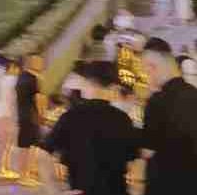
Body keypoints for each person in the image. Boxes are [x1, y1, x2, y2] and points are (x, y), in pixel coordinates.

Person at [40, 61, 150, 195]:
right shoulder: (122, 119)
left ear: (87, 83)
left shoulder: (71, 117)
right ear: (113, 87)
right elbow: (137, 159)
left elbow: (43, 153)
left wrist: (54, 191)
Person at [137, 37, 197, 195]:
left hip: (162, 186)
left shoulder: (157, 102)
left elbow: (147, 150)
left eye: (145, 70)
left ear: (152, 67)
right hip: (191, 184)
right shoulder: (196, 95)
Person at [15, 55, 45, 186]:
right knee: (29, 147)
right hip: (31, 116)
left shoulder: (21, 77)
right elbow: (39, 99)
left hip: (22, 115)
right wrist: (42, 115)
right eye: (40, 62)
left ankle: (25, 174)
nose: (42, 64)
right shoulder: (34, 79)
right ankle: (25, 176)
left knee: (24, 146)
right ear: (33, 63)